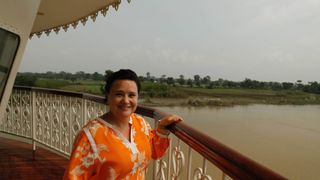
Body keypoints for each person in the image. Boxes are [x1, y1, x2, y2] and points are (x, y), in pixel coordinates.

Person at [64, 69, 182, 179]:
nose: (126, 101)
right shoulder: (90, 136)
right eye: (119, 94)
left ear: (137, 97)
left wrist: (162, 130)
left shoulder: (140, 123)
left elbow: (155, 152)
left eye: (131, 95)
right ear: (108, 96)